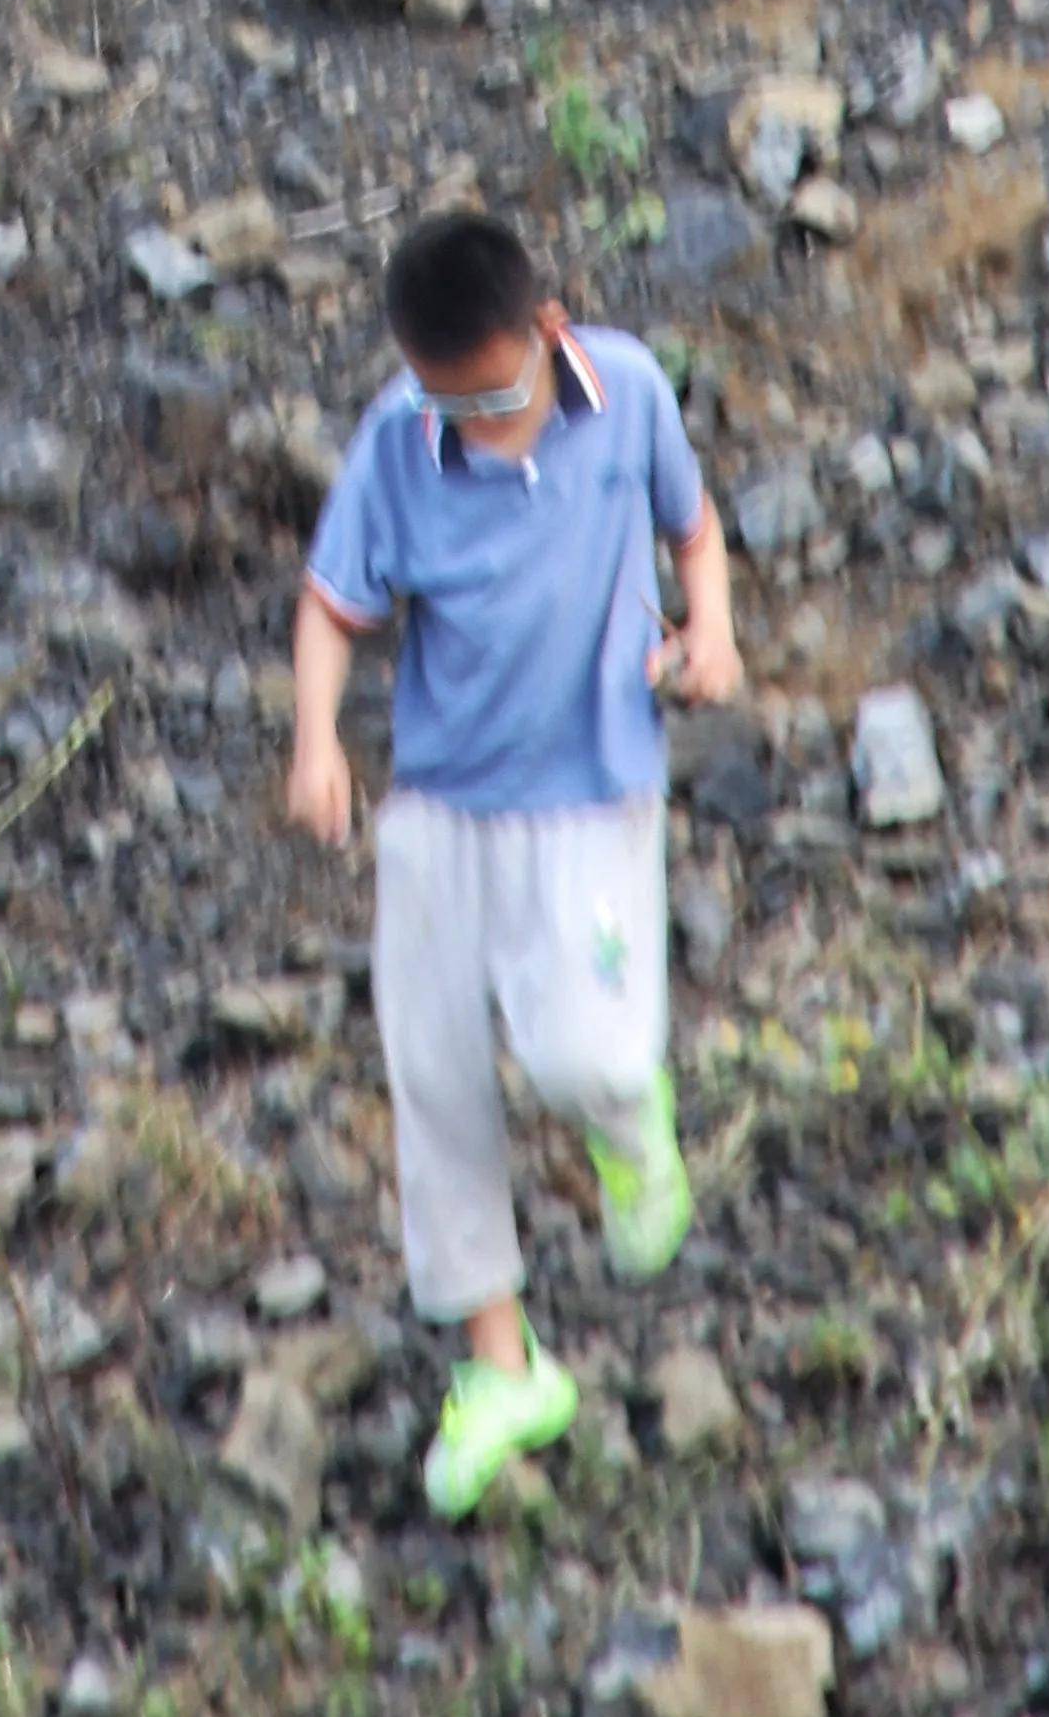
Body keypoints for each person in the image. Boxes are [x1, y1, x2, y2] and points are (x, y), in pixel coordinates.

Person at [285, 200, 742, 1521]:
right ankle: (504, 1363)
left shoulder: (628, 394)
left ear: (546, 328)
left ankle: (631, 1133)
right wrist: (316, 735)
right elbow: (331, 605)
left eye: (495, 391)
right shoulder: (398, 435)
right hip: (439, 806)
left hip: (588, 795)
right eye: (450, 400)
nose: (477, 422)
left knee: (582, 1053)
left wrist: (707, 633)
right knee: (433, 1080)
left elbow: (693, 530)